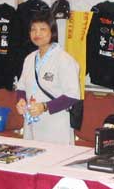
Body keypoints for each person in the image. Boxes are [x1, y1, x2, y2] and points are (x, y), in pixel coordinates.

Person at [15, 11, 81, 145]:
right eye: (33, 29)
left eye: (42, 29)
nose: (37, 33)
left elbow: (72, 96)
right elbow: (21, 87)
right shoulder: (29, 59)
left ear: (52, 31)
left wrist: (44, 107)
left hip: (56, 126)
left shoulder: (64, 60)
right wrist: (21, 100)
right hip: (31, 123)